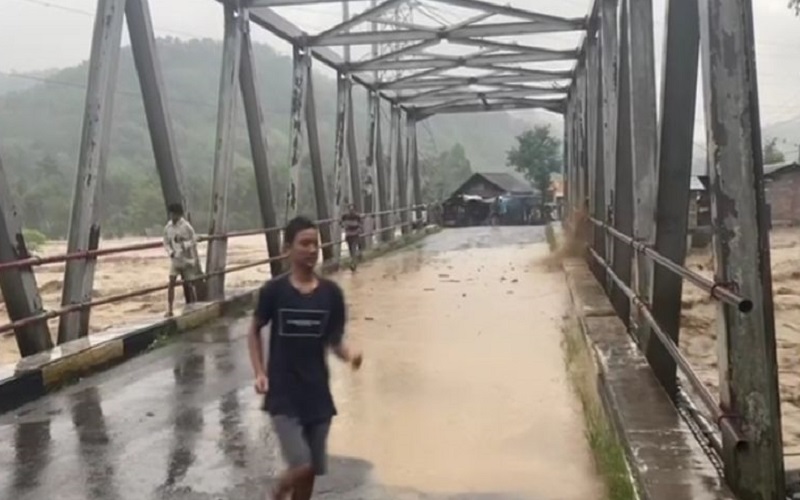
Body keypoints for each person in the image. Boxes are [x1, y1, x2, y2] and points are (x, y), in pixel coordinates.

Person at [248, 216, 363, 500]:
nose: (312, 249)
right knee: (301, 464)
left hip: (318, 396)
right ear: (288, 248)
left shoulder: (331, 294)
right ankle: (275, 494)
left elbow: (334, 340)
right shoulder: (274, 292)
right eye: (305, 243)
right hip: (284, 395)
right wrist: (260, 373)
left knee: (311, 473)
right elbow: (253, 331)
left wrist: (349, 355)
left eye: (316, 243)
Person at [163, 203, 198, 316]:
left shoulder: (186, 226)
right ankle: (170, 309)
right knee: (171, 282)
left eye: (174, 214)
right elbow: (166, 242)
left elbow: (194, 239)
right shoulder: (168, 228)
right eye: (171, 214)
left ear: (179, 214)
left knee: (189, 283)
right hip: (175, 259)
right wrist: (170, 252)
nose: (172, 216)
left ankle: (194, 306)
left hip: (186, 258)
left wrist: (186, 245)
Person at [340, 204, 363, 271]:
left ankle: (353, 264)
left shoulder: (357, 216)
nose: (351, 210)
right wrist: (343, 226)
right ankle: (353, 264)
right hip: (349, 235)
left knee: (353, 250)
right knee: (351, 250)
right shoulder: (345, 216)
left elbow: (361, 223)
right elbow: (340, 222)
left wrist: (359, 229)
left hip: (355, 235)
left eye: (352, 209)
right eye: (350, 209)